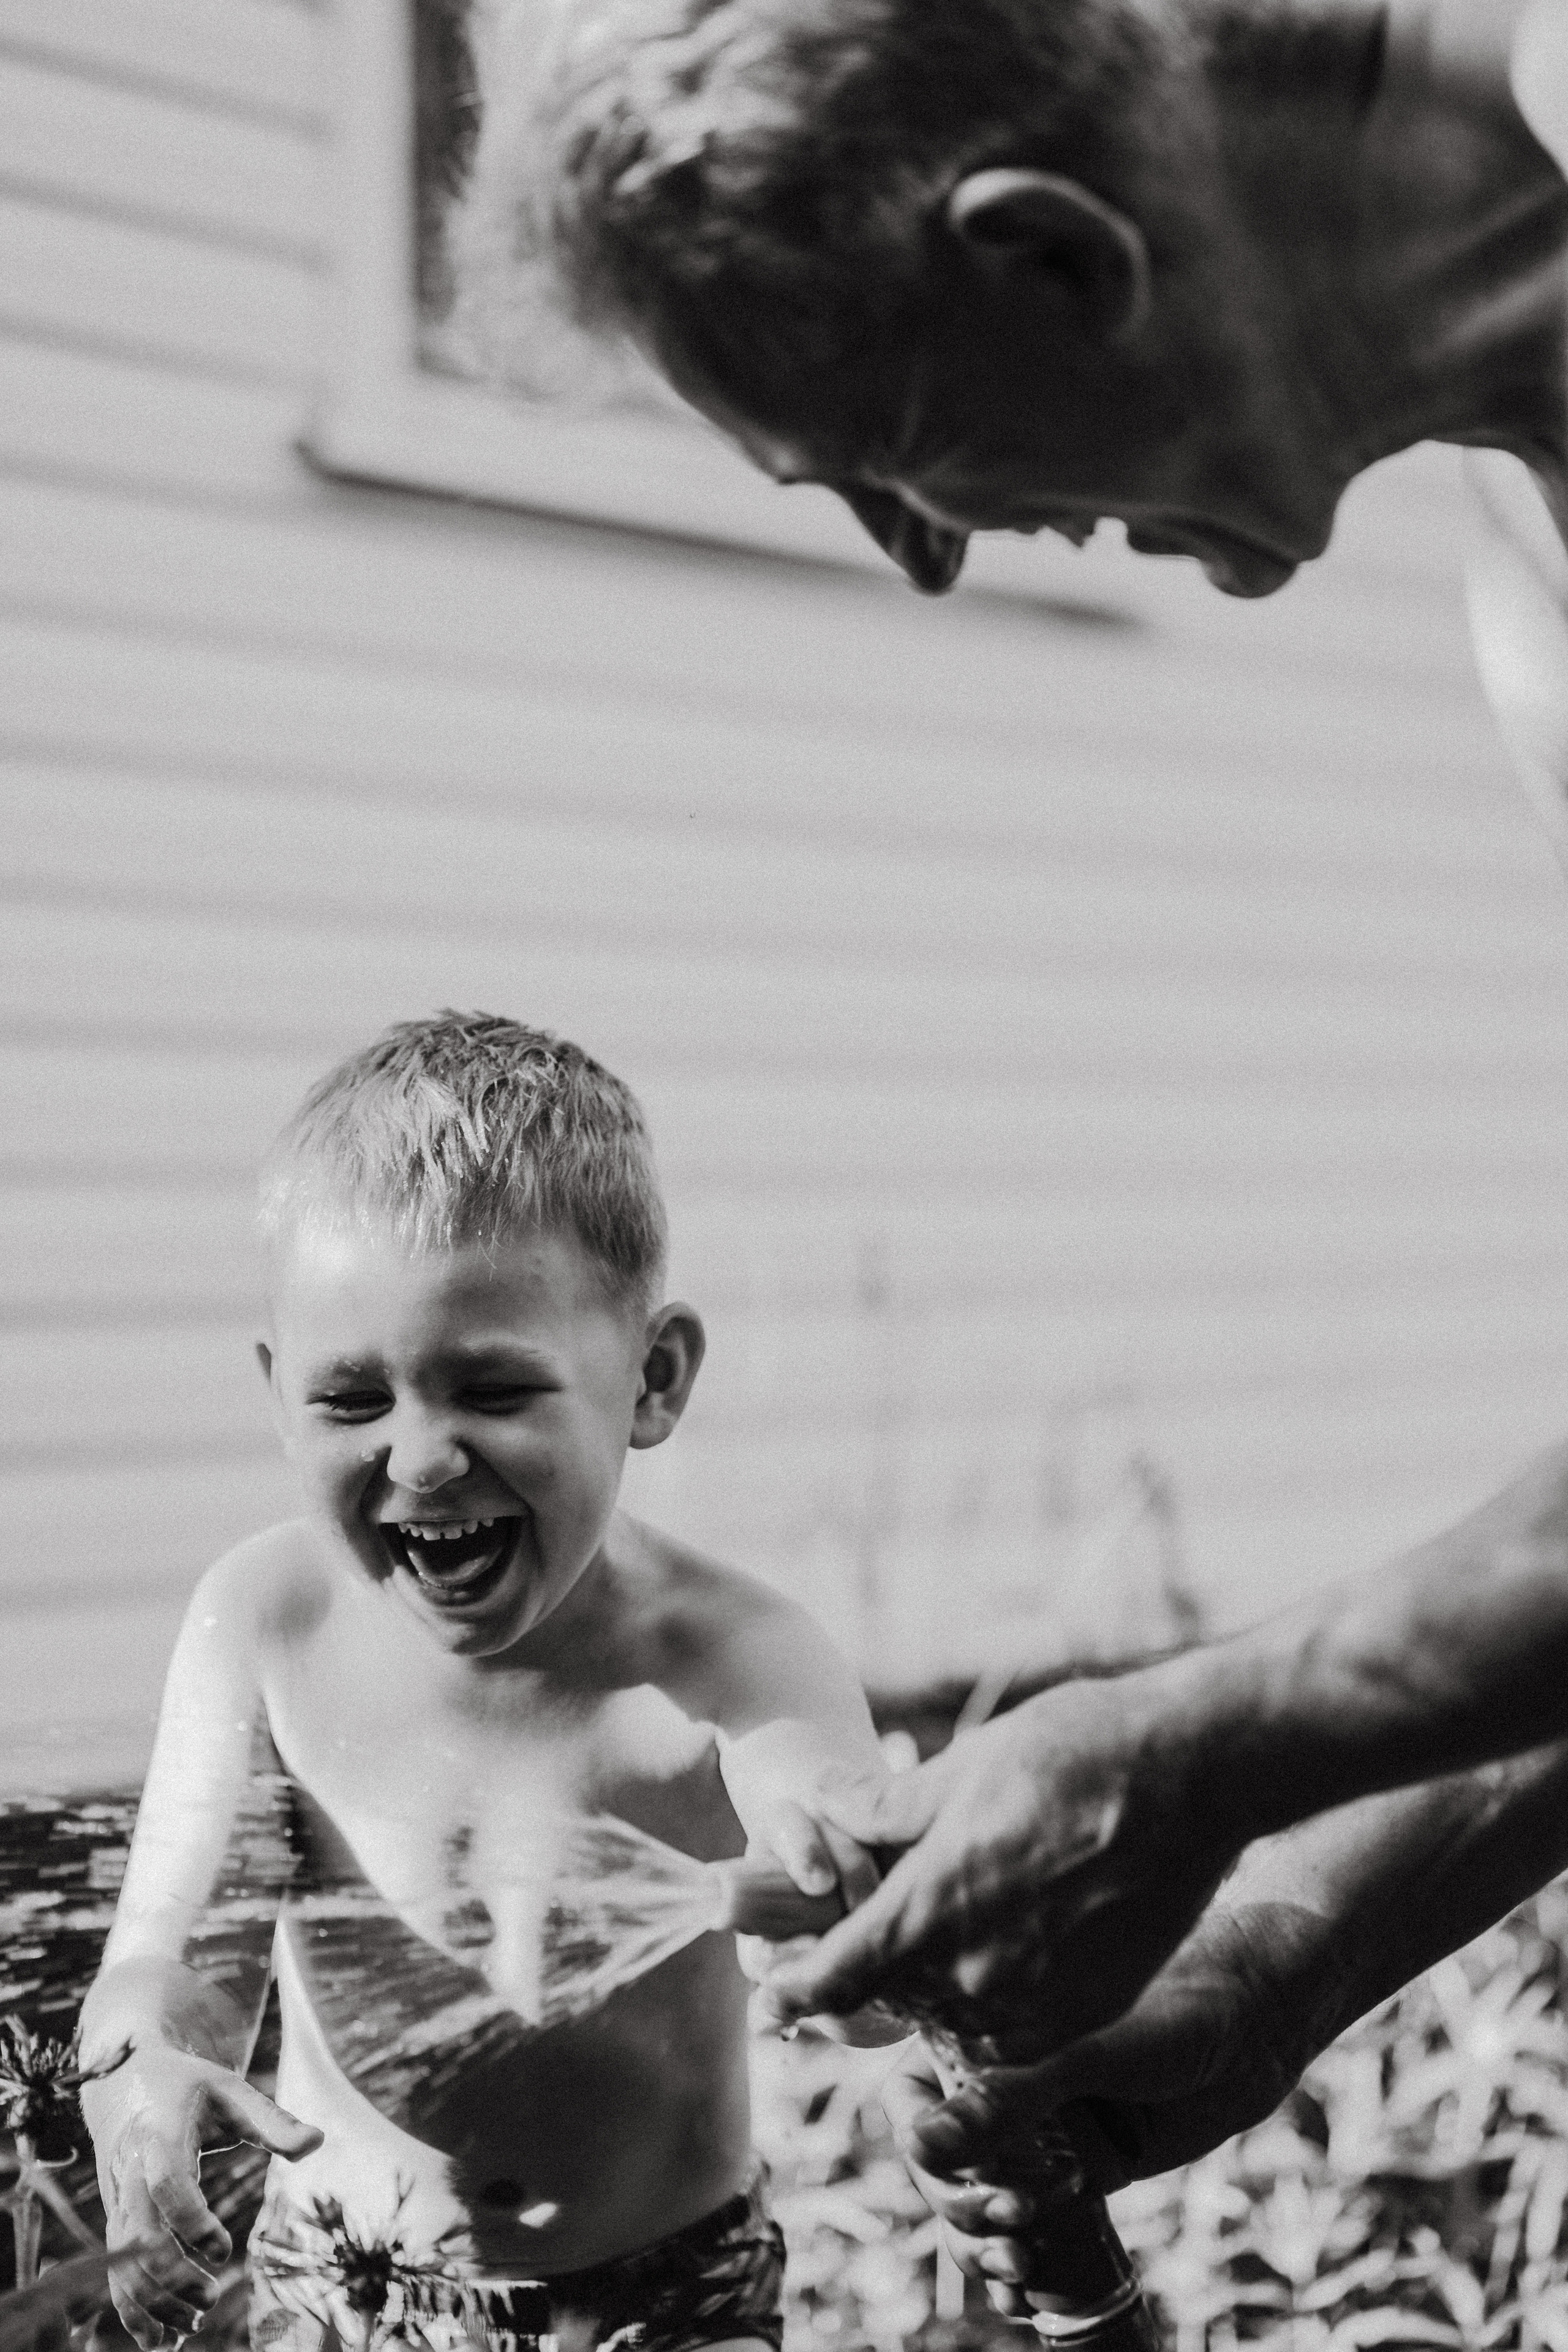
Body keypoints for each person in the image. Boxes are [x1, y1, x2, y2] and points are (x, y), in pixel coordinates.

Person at [443, 0, 1568, 2304]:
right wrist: (1289, 1939)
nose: (933, 562)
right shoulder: (1534, 590)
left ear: (1053, 256)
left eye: (894, 458)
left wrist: (1199, 1750)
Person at [78, 1011, 901, 2352]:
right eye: (352, 1400)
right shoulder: (268, 1625)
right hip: (342, 2293)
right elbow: (175, 1963)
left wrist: (859, 1909)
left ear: (652, 1379)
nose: (419, 1460)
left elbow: (864, 1947)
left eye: (494, 1389)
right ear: (278, 1394)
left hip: (663, 2303)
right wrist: (142, 2084)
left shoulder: (734, 1658)